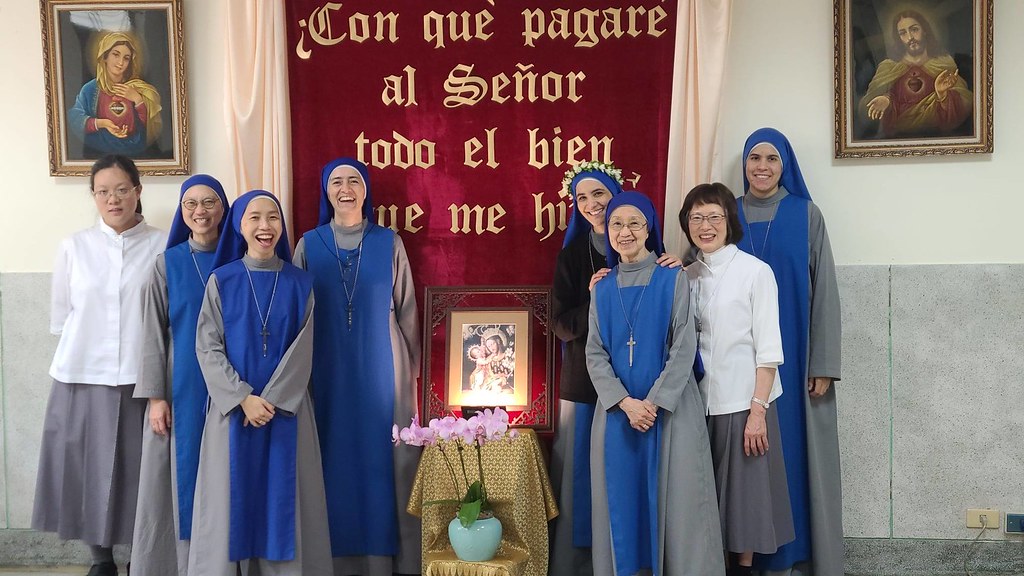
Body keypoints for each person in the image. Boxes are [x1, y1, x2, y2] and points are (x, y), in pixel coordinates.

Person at [32, 154, 167, 576]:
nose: (113, 199)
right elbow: (62, 316)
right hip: (82, 375)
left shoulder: (164, 244)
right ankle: (100, 559)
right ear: (93, 196)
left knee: (139, 472)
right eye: (103, 191)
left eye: (122, 189)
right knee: (88, 469)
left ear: (138, 192)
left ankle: (138, 558)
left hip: (142, 378)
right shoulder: (75, 247)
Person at [188, 190, 332, 575]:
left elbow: (304, 348)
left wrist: (273, 400)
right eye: (254, 218)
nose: (264, 226)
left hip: (288, 412)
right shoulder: (223, 280)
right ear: (239, 225)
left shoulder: (301, 283)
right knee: (229, 502)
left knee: (285, 502)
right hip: (232, 414)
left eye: (273, 217)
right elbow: (207, 346)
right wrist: (242, 399)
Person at [549, 163, 680, 575]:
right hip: (590, 384)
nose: (592, 205)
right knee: (586, 478)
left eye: (599, 194)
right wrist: (595, 296)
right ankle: (586, 563)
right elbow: (559, 324)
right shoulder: (573, 257)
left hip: (644, 387)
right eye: (582, 198)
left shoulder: (655, 257)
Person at [293, 157, 420, 576]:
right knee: (331, 455)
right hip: (323, 367)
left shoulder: (390, 242)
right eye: (336, 182)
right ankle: (329, 558)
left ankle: (388, 559)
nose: (345, 188)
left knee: (384, 458)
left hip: (384, 368)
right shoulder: (308, 244)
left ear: (366, 191)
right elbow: (295, 314)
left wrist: (412, 373)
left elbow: (407, 310)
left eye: (354, 181)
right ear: (326, 191)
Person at [586, 191, 724, 576]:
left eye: (634, 223)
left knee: (679, 507)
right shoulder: (601, 287)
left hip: (670, 410)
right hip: (617, 413)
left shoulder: (672, 277)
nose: (625, 232)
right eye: (616, 223)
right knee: (622, 505)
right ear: (607, 231)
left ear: (649, 228)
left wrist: (655, 402)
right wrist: (624, 403)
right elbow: (594, 352)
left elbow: (684, 345)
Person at [737, 128, 842, 576]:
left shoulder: (805, 214)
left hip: (796, 355)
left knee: (794, 454)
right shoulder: (724, 212)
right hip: (740, 361)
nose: (762, 166)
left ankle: (795, 557)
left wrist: (822, 362)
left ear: (786, 166)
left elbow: (825, 293)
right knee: (746, 457)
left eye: (772, 159)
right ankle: (744, 555)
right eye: (754, 157)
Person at [682, 183, 794, 576]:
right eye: (696, 217)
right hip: (695, 403)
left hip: (744, 400)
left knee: (746, 499)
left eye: (714, 216)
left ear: (730, 221)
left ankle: (743, 570)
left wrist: (758, 411)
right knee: (701, 495)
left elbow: (769, 350)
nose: (705, 225)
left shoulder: (754, 272)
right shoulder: (686, 276)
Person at [130, 175, 229, 576]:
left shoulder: (238, 258)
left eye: (209, 202)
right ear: (181, 211)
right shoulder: (166, 264)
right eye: (191, 204)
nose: (200, 211)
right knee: (177, 478)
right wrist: (156, 397)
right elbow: (152, 333)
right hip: (180, 383)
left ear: (224, 208)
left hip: (229, 385)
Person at [860, 8, 972, 138]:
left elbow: (965, 108)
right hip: (894, 141)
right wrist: (886, 100)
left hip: (939, 140)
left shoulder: (944, 63)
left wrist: (943, 95)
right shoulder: (888, 67)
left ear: (924, 30)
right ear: (898, 37)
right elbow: (864, 112)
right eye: (903, 33)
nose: (910, 37)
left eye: (914, 29)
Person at [68, 31, 163, 157]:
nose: (121, 62)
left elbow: (148, 128)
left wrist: (138, 100)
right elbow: (75, 117)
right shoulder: (90, 89)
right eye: (116, 55)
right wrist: (103, 123)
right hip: (98, 153)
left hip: (134, 152)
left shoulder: (139, 88)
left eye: (126, 58)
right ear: (105, 57)